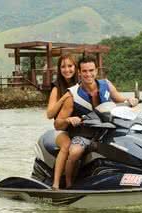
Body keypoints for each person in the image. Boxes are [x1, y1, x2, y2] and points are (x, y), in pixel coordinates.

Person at [54, 55, 138, 188]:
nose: (88, 74)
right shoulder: (72, 95)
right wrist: (68, 119)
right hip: (84, 134)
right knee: (75, 152)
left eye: (91, 70)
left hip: (107, 131)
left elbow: (120, 99)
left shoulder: (106, 84)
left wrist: (131, 100)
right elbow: (57, 124)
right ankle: (69, 184)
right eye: (85, 71)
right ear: (79, 73)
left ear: (96, 71)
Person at [46, 54, 78, 190]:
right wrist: (64, 96)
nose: (67, 70)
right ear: (59, 69)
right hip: (61, 130)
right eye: (63, 67)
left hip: (79, 128)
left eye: (70, 66)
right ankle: (56, 184)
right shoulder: (56, 88)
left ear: (75, 68)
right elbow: (49, 114)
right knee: (66, 145)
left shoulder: (82, 84)